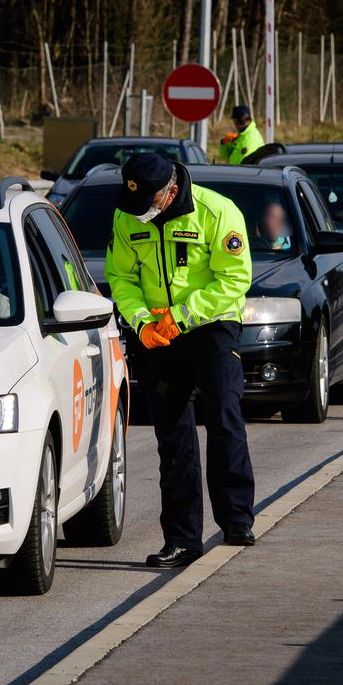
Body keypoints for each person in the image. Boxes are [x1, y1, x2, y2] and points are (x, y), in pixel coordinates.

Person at [105, 152, 256, 568]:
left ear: (171, 191)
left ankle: (237, 518)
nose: (142, 212)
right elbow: (121, 276)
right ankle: (182, 539)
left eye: (149, 202)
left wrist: (184, 316)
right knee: (173, 437)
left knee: (224, 418)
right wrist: (140, 322)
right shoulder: (127, 216)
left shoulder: (217, 212)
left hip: (211, 327)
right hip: (158, 334)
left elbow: (235, 279)